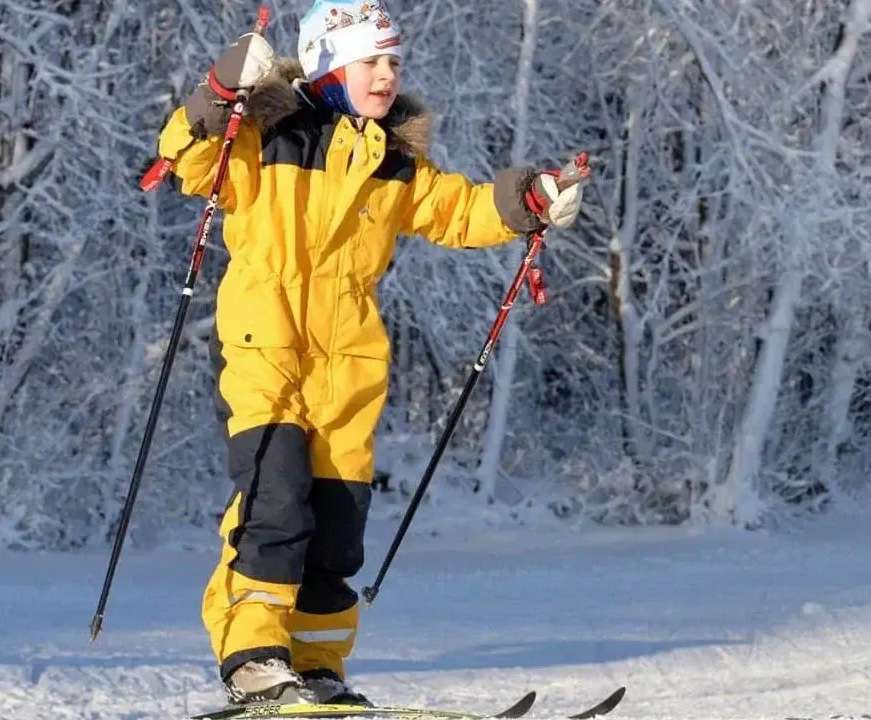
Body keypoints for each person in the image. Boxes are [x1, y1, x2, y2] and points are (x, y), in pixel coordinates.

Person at [153, 0, 587, 707]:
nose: (387, 75)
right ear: (327, 64)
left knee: (337, 527)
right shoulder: (265, 135)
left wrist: (529, 202)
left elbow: (459, 210)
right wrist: (220, 93)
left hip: (348, 366)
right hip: (264, 349)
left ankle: (317, 664)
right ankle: (254, 657)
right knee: (274, 505)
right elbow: (192, 161)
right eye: (370, 61)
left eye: (393, 61)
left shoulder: (393, 162)